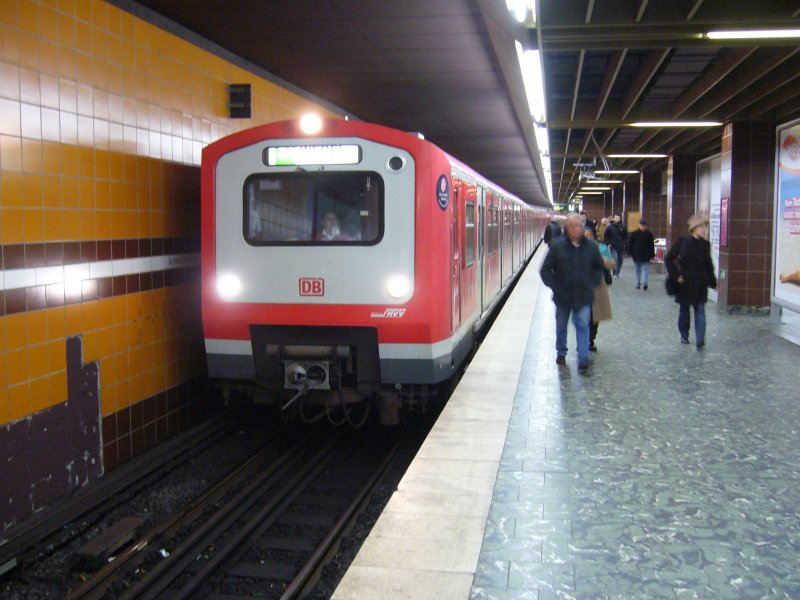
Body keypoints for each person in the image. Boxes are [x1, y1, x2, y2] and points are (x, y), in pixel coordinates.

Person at [540, 213, 605, 373]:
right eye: (573, 226)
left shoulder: (591, 247)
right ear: (567, 227)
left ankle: (583, 358)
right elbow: (545, 270)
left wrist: (592, 283)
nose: (577, 229)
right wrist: (556, 287)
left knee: (582, 324)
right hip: (563, 297)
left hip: (583, 296)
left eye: (580, 225)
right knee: (561, 326)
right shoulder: (557, 246)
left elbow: (598, 267)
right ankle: (561, 352)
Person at [665, 213, 717, 348]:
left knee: (700, 309)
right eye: (701, 227)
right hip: (685, 283)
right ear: (693, 228)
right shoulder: (682, 242)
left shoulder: (705, 245)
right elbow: (669, 258)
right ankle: (684, 335)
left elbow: (708, 264)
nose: (704, 230)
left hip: (700, 283)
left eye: (705, 227)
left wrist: (712, 282)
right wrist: (676, 276)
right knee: (684, 310)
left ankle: (700, 339)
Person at [583, 227, 615, 352]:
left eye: (589, 236)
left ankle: (590, 339)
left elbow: (612, 263)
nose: (587, 239)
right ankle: (583, 339)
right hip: (582, 288)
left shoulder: (601, 248)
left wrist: (604, 260)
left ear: (593, 237)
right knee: (582, 316)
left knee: (594, 317)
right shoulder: (577, 249)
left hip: (597, 288)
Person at [627, 218, 656, 290]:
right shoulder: (634, 234)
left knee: (645, 269)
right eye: (642, 225)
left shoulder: (649, 234)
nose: (643, 227)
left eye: (644, 225)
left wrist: (652, 254)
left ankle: (644, 283)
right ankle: (638, 282)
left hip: (645, 254)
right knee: (638, 269)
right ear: (639, 225)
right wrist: (629, 252)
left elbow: (652, 245)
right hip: (637, 254)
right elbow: (630, 244)